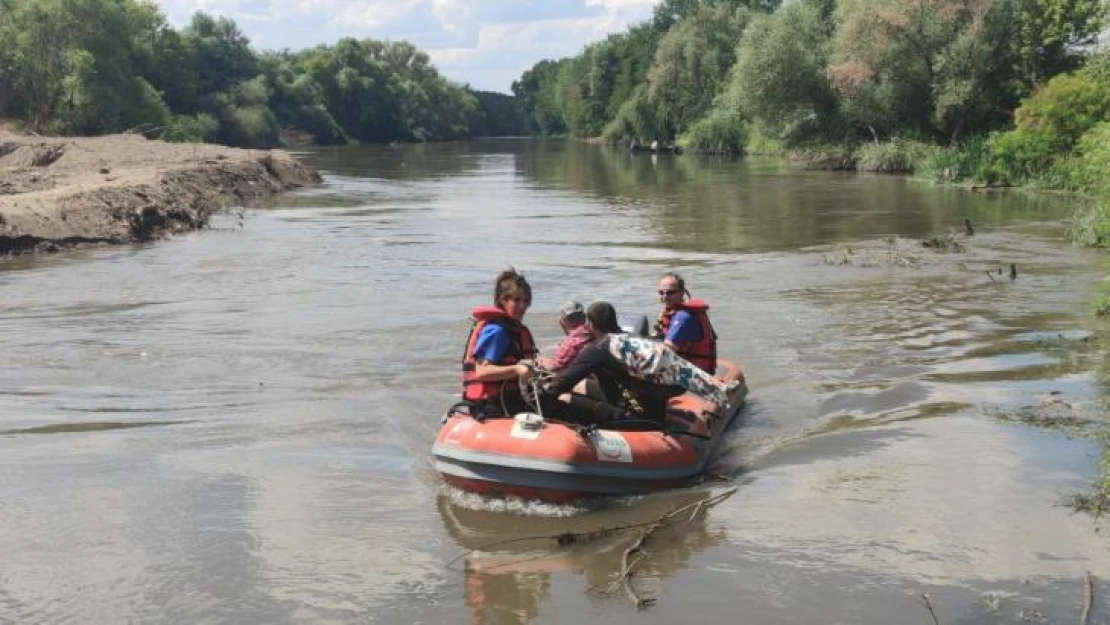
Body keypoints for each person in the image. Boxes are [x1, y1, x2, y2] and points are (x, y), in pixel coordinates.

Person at [544, 302, 736, 423]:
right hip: (651, 408)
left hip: (632, 417)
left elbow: (560, 385)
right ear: (615, 321)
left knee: (564, 397)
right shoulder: (636, 341)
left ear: (591, 325)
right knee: (582, 385)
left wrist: (541, 401)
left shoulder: (599, 348)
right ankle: (667, 416)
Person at [461, 268, 541, 418]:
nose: (522, 306)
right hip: (492, 403)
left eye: (526, 301)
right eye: (516, 300)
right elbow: (481, 372)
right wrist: (517, 369)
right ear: (503, 300)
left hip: (508, 397)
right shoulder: (497, 331)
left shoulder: (514, 329)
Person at [653, 272, 718, 373]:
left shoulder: (683, 317)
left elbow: (666, 350)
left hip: (692, 375)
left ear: (682, 293)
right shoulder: (672, 313)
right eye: (661, 293)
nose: (665, 297)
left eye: (670, 293)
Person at [551, 300, 593, 371]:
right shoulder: (593, 332)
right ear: (584, 317)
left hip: (581, 376)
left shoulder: (571, 341)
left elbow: (557, 366)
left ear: (563, 320)